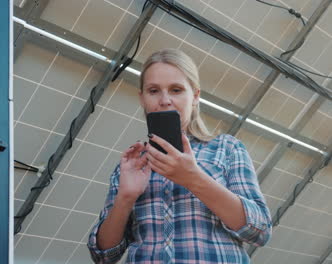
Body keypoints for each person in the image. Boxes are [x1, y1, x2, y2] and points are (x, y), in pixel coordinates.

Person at [87, 49, 272, 263]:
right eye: (153, 90)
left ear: (194, 96)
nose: (165, 100)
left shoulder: (227, 148)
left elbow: (260, 231)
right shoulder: (131, 165)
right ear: (142, 98)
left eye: (176, 90)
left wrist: (193, 178)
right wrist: (125, 198)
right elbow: (103, 256)